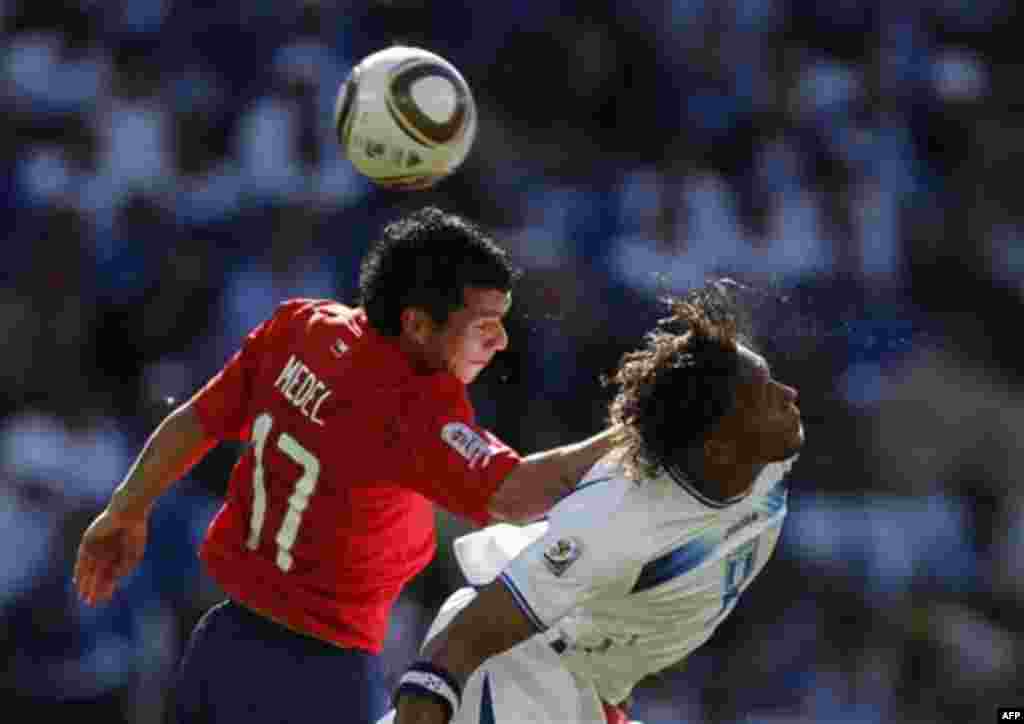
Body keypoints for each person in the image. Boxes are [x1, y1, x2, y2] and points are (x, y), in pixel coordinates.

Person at [73, 206, 617, 724]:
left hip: (220, 646)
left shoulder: (301, 328)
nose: (500, 341)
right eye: (484, 324)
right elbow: (517, 495)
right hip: (318, 678)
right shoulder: (414, 406)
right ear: (418, 325)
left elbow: (198, 419)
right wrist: (642, 430)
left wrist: (126, 508)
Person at [388, 280, 805, 724]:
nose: (789, 396)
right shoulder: (618, 520)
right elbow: (466, 641)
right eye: (766, 396)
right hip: (516, 666)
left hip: (584, 686)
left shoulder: (768, 455)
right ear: (719, 447)